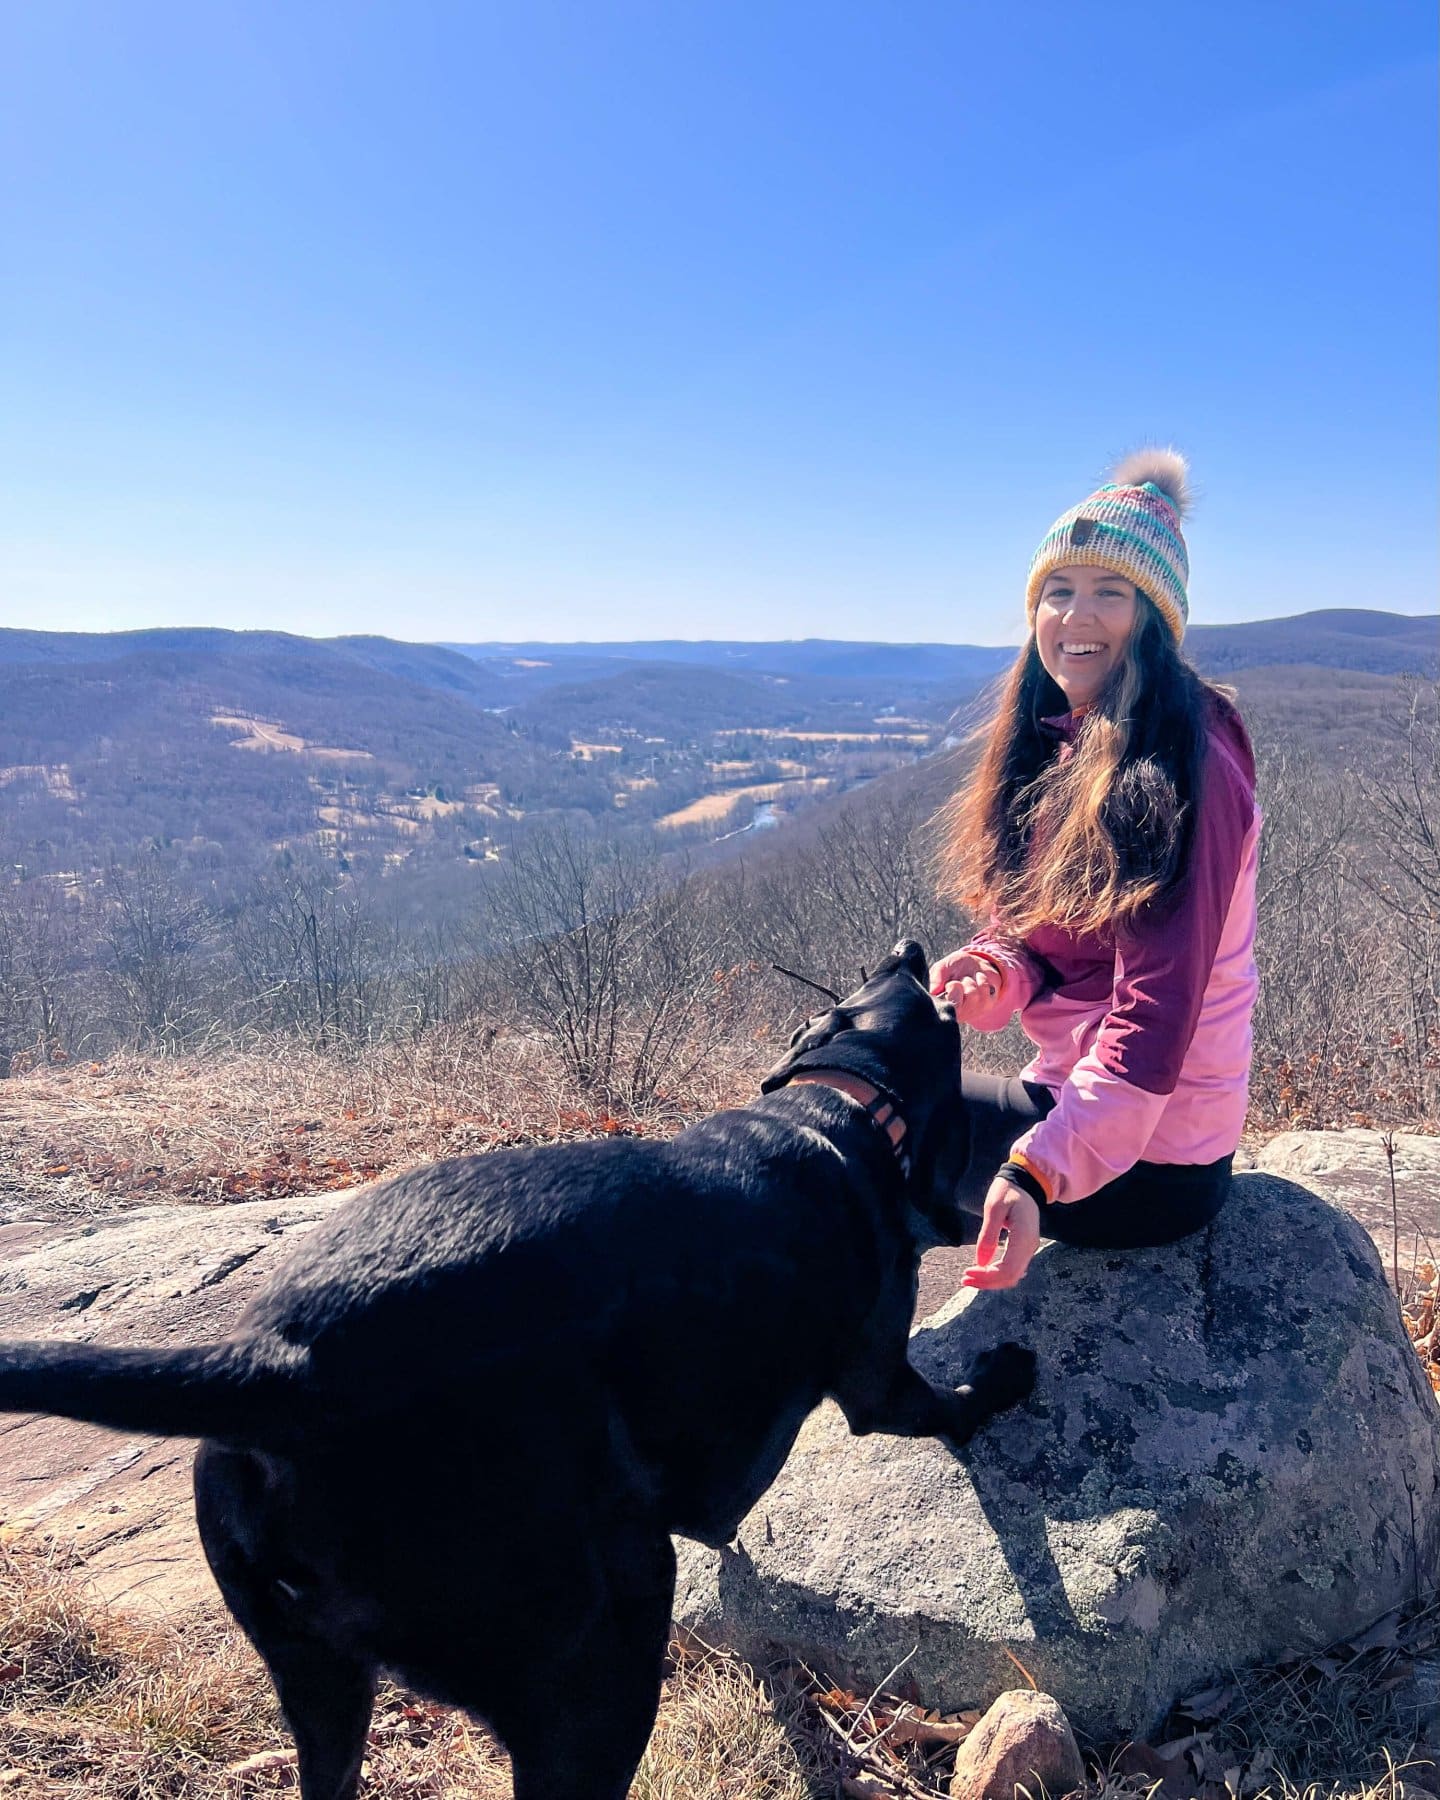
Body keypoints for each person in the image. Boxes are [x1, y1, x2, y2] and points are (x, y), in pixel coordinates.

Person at [930, 449, 1260, 1291]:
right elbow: (1059, 942)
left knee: (860, 1115)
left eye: (1110, 592)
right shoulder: (1068, 737)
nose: (1076, 616)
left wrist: (1039, 1172)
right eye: (1057, 591)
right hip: (1090, 1111)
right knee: (861, 1088)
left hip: (1154, 1164)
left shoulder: (1185, 764)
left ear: (1154, 616)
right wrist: (995, 968)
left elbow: (1157, 1009)